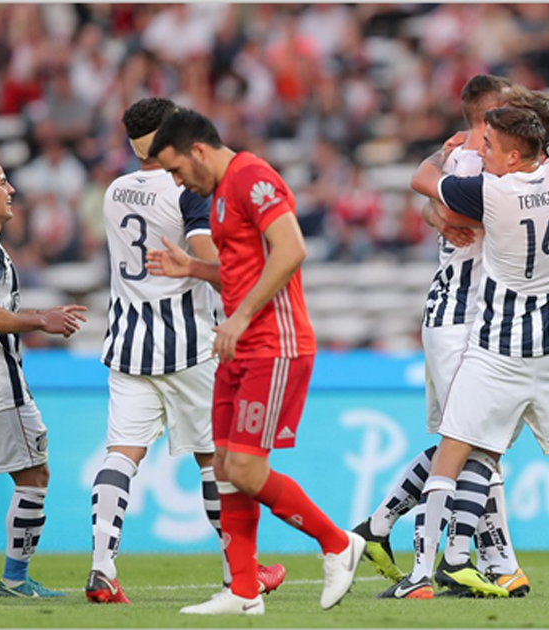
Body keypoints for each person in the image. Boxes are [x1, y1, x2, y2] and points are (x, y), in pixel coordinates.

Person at [406, 106, 549, 600]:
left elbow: (424, 181)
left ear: (513, 155)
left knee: (454, 453)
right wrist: (529, 111)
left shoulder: (491, 192)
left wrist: (442, 159)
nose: (481, 152)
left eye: (489, 145)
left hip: (498, 352)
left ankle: (422, 574)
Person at [145, 108, 364, 616]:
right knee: (224, 465)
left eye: (176, 169)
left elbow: (291, 249)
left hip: (274, 344)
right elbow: (242, 271)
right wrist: (194, 267)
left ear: (198, 150)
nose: (178, 182)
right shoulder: (222, 192)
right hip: (240, 345)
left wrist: (240, 317)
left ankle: (337, 543)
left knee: (245, 467)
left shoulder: (252, 177)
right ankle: (244, 591)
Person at [86, 97, 285, 604]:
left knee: (121, 454)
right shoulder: (186, 191)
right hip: (190, 345)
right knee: (215, 461)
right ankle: (238, 572)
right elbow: (210, 261)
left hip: (128, 343)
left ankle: (102, 567)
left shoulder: (114, 191)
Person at [353, 74, 527, 600]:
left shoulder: (460, 157)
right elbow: (456, 209)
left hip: (465, 318)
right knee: (476, 444)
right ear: (492, 112)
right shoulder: (476, 161)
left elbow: (440, 201)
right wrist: (436, 205)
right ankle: (490, 563)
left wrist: (431, 196)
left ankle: (378, 528)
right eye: (512, 107)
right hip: (459, 319)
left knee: (467, 443)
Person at [0, 153, 86, 597]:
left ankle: (15, 580)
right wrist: (40, 319)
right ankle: (14, 580)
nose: (11, 190)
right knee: (34, 476)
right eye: (2, 182)